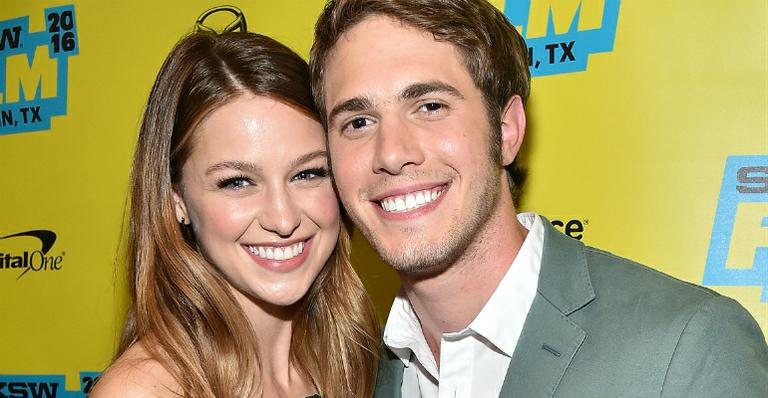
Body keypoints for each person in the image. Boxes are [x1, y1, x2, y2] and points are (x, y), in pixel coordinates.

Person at [308, 0, 768, 396]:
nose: (391, 153)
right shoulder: (354, 372)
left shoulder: (687, 349)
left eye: (430, 107)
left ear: (506, 131)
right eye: (358, 122)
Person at [91, 29, 379, 398]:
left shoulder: (350, 354)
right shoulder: (145, 391)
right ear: (176, 199)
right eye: (238, 182)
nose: (283, 218)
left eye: (307, 173)